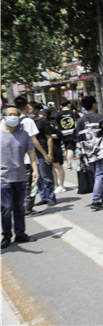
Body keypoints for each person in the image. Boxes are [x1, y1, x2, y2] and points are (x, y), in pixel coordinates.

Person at [1, 105, 39, 249]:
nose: (13, 117)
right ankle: (6, 235)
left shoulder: (23, 134)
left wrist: (35, 170)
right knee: (6, 208)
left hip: (20, 176)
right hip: (3, 178)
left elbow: (31, 152)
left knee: (19, 207)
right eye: (10, 114)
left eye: (15, 115)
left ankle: (20, 233)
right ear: (4, 117)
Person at [76, 95, 103, 211]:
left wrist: (80, 153)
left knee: (96, 175)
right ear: (94, 104)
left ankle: (102, 197)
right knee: (99, 176)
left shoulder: (80, 121)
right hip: (100, 151)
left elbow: (78, 138)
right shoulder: (100, 117)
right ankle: (95, 201)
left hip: (88, 153)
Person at [13, 97, 46, 217]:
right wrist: (44, 153)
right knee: (31, 185)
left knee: (18, 186)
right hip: (28, 159)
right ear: (27, 106)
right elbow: (34, 140)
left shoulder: (7, 122)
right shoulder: (28, 121)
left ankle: (19, 207)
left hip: (14, 160)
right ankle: (28, 209)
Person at [27, 101, 57, 208]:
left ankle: (51, 198)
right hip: (31, 153)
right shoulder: (27, 121)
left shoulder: (43, 121)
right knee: (37, 177)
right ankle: (43, 197)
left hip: (43, 152)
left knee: (46, 176)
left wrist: (49, 153)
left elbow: (49, 138)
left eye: (30, 109)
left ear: (36, 110)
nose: (28, 111)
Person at [45, 109, 66, 194]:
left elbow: (59, 135)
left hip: (56, 147)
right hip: (47, 149)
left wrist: (48, 136)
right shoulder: (42, 124)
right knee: (52, 168)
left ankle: (61, 185)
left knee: (59, 166)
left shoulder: (53, 124)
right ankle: (56, 184)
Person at [55, 100, 79, 170]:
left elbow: (56, 124)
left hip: (63, 133)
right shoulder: (73, 113)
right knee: (71, 148)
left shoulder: (58, 114)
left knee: (66, 148)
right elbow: (78, 121)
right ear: (68, 105)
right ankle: (69, 164)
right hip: (72, 133)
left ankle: (68, 162)